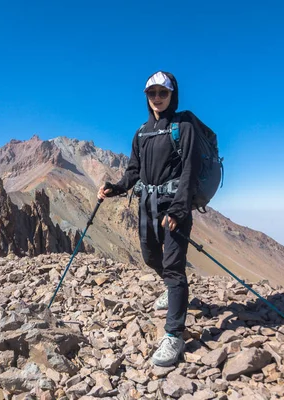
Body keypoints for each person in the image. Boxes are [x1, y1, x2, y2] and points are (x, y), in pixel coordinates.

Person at [97, 71, 201, 367]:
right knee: (149, 256)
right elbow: (134, 171)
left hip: (173, 207)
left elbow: (190, 170)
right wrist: (116, 188)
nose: (157, 98)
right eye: (152, 94)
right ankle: (171, 290)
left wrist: (180, 210)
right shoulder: (141, 132)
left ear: (172, 95)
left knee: (174, 265)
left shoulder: (184, 125)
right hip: (147, 205)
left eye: (163, 93)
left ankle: (174, 335)